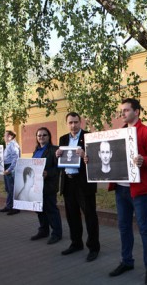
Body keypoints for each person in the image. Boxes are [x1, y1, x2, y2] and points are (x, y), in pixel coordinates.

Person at [104, 98, 147, 285]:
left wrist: (144, 160)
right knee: (124, 227)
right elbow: (110, 157)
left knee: (144, 228)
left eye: (126, 110)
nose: (123, 114)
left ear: (136, 112)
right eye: (122, 111)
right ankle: (127, 261)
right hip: (121, 189)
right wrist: (92, 161)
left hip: (140, 190)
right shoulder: (119, 133)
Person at [56, 112, 100, 262]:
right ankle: (76, 243)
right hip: (68, 182)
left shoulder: (88, 137)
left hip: (84, 183)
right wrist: (57, 154)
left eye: (76, 122)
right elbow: (61, 161)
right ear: (67, 123)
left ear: (81, 122)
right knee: (71, 215)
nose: (73, 125)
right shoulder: (63, 139)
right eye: (70, 122)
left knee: (90, 216)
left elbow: (97, 160)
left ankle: (93, 247)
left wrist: (85, 154)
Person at [30, 127, 62, 245]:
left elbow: (59, 168)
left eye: (44, 135)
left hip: (48, 185)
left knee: (51, 209)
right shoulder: (36, 150)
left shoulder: (54, 150)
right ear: (37, 138)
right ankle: (43, 230)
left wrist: (48, 173)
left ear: (49, 137)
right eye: (39, 136)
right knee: (39, 209)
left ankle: (57, 233)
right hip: (36, 185)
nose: (41, 137)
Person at [0, 130, 21, 215]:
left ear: (10, 136)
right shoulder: (9, 145)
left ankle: (15, 208)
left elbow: (16, 158)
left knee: (12, 189)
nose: (4, 137)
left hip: (10, 168)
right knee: (8, 189)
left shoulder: (13, 145)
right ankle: (9, 206)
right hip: (6, 167)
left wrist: (9, 169)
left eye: (5, 135)